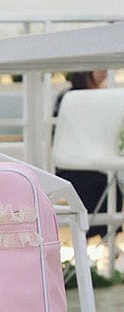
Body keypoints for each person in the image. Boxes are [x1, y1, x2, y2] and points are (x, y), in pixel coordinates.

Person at [54, 71, 122, 239]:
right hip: (76, 166)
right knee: (105, 186)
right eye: (99, 69)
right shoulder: (76, 97)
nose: (104, 73)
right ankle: (101, 236)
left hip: (87, 164)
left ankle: (100, 237)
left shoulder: (73, 96)